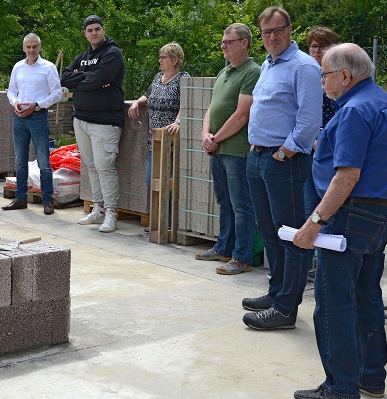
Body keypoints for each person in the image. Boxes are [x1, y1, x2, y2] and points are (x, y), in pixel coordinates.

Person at [292, 44, 387, 399]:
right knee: (367, 296)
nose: (322, 81)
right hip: (377, 213)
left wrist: (314, 221)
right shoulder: (380, 100)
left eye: (324, 74)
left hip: (348, 215)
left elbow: (347, 175)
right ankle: (370, 376)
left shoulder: (354, 109)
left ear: (344, 75)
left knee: (333, 301)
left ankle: (340, 386)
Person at [243, 6, 322, 330]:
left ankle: (286, 309)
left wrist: (285, 152)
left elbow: (309, 118)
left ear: (291, 30)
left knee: (291, 234)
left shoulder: (303, 66)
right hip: (258, 157)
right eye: (266, 32)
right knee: (269, 230)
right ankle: (276, 293)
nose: (272, 37)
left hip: (283, 162)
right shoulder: (268, 63)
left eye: (278, 30)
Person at [197, 24, 260, 274]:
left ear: (244, 43)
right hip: (219, 149)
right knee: (224, 202)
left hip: (237, 150)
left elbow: (242, 114)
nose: (223, 45)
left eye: (228, 42)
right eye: (223, 41)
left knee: (242, 205)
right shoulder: (225, 72)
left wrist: (215, 138)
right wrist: (205, 135)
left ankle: (242, 257)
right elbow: (212, 108)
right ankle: (224, 247)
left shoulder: (252, 72)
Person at [61, 15, 126, 233]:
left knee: (105, 167)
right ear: (85, 34)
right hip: (81, 120)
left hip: (105, 122)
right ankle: (97, 208)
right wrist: (89, 80)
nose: (94, 33)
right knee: (90, 166)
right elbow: (65, 78)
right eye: (90, 30)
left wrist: (82, 80)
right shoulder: (82, 56)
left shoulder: (112, 54)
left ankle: (111, 213)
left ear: (103, 30)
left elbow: (97, 79)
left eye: (97, 29)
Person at [128, 42, 188, 226]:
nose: (159, 60)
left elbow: (187, 103)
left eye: (163, 57)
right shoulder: (158, 77)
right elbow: (149, 94)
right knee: (151, 180)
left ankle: (168, 223)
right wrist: (137, 103)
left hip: (170, 141)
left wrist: (178, 121)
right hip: (153, 140)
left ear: (175, 59)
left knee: (167, 183)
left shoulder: (183, 78)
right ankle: (157, 221)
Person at [4, 33, 62, 215]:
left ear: (40, 47)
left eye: (34, 47)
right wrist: (15, 103)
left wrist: (37, 105)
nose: (31, 50)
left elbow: (57, 93)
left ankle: (47, 200)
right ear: (23, 48)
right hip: (19, 118)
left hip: (38, 117)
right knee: (20, 161)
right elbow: (11, 91)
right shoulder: (18, 67)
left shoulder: (48, 67)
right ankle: (21, 198)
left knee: (44, 162)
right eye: (28, 47)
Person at [303, 26, 339, 217]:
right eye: (314, 46)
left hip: (329, 149)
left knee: (327, 204)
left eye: (323, 47)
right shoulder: (303, 72)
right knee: (309, 206)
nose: (317, 51)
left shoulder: (339, 77)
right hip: (306, 147)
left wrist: (321, 143)